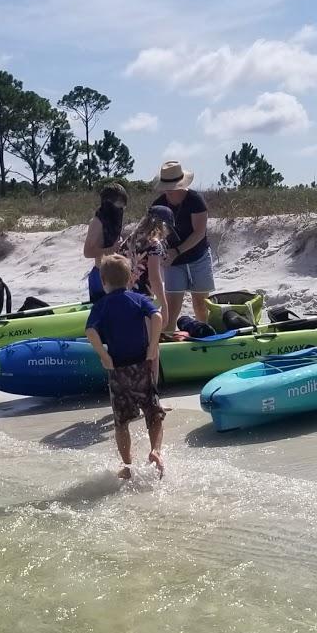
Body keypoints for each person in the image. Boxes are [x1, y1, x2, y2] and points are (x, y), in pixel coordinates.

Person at [85, 254, 165, 479]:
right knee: (153, 413)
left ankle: (127, 465)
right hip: (142, 366)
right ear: (130, 277)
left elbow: (90, 331)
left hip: (118, 370)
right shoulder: (137, 299)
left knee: (121, 422)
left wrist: (104, 356)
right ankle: (155, 451)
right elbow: (157, 316)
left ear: (103, 280)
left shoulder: (101, 305)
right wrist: (152, 346)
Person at [151, 160, 214, 331]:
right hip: (173, 261)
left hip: (197, 256)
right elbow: (154, 234)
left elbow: (199, 232)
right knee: (171, 309)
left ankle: (205, 335)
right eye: (165, 189)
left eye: (171, 190)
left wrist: (177, 251)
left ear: (181, 186)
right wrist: (163, 253)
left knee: (201, 305)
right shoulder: (159, 205)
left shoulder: (195, 200)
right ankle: (169, 337)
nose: (168, 194)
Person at [81, 183, 128, 302]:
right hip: (101, 275)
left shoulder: (114, 221)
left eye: (123, 207)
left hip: (116, 273)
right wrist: (111, 249)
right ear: (108, 203)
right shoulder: (97, 222)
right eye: (118, 206)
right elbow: (87, 252)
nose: (121, 210)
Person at [119, 205, 173, 300]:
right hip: (143, 297)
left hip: (122, 293)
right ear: (163, 226)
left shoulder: (131, 238)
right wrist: (163, 303)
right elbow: (154, 278)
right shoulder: (155, 244)